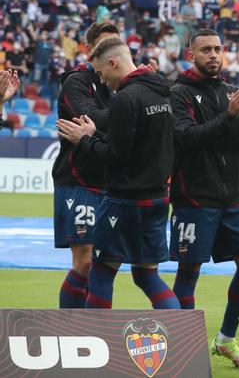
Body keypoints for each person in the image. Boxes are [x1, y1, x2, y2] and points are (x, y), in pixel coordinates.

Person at [169, 29, 239, 369]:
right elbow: (185, 139)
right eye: (206, 50)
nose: (214, 54)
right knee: (189, 270)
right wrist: (227, 116)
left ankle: (225, 339)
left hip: (232, 197)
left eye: (218, 49)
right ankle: (184, 349)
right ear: (190, 55)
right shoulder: (179, 93)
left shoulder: (230, 91)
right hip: (194, 197)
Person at [55, 38, 180, 311]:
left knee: (99, 271)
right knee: (147, 275)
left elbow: (115, 156)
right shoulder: (164, 92)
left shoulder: (126, 97)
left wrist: (86, 139)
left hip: (125, 200)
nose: (103, 80)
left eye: (101, 73)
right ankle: (180, 343)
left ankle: (94, 344)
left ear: (113, 63)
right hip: (158, 198)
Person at [52, 21, 120, 309]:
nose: (113, 52)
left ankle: (92, 332)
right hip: (78, 180)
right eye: (106, 46)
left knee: (108, 262)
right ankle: (71, 331)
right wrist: (131, 117)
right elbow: (88, 119)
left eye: (117, 45)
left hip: (110, 182)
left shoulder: (121, 83)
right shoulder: (76, 82)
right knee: (85, 260)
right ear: (89, 50)